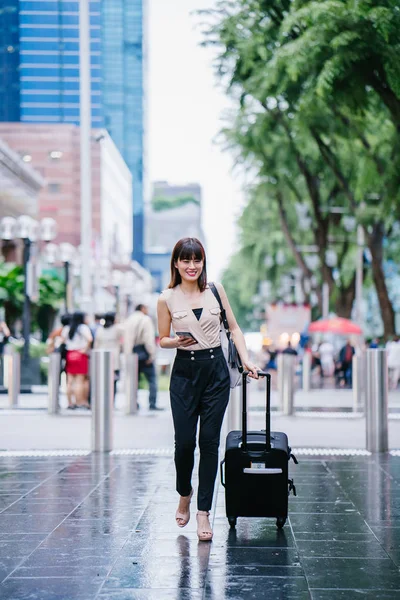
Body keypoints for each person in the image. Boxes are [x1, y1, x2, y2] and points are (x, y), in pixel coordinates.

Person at [157, 237, 260, 542]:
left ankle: (203, 512)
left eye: (197, 260)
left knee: (210, 443)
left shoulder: (215, 290)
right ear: (176, 263)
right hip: (184, 375)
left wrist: (246, 360)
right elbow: (161, 338)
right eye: (185, 260)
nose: (192, 266)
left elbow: (235, 328)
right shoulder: (166, 298)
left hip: (216, 374)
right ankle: (184, 492)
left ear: (203, 262)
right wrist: (175, 341)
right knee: (184, 444)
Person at [123, 304, 160, 410]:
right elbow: (148, 339)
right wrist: (152, 354)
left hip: (132, 354)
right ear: (142, 308)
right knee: (152, 379)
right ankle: (152, 404)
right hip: (144, 354)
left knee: (134, 380)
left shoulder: (128, 320)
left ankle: (133, 403)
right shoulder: (145, 319)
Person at [60, 311, 93, 409]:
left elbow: (62, 340)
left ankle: (70, 402)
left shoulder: (67, 328)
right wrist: (85, 349)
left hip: (70, 354)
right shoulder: (83, 328)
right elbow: (90, 339)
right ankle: (80, 402)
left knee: (69, 380)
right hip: (80, 354)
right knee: (80, 380)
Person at [94, 312, 123, 399]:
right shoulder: (117, 328)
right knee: (113, 380)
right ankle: (111, 400)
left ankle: (102, 399)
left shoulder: (100, 329)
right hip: (114, 357)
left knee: (102, 379)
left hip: (101, 357)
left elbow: (96, 344)